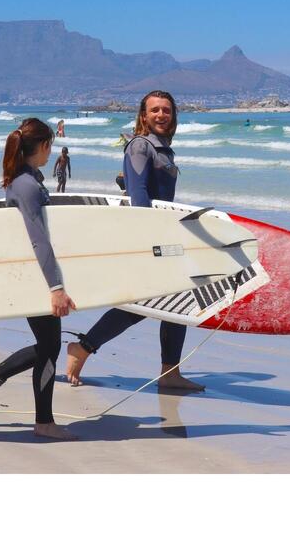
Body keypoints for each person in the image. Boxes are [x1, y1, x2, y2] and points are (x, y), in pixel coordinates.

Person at [65, 90, 205, 392]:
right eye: (154, 110)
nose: (161, 115)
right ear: (143, 116)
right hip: (150, 237)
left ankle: (169, 372)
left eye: (166, 110)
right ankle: (84, 347)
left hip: (163, 235)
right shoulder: (140, 146)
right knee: (146, 304)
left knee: (172, 304)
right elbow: (140, 197)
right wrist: (149, 243)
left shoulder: (162, 149)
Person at [0, 118, 78, 440]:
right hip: (36, 277)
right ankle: (42, 421)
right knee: (50, 346)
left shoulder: (23, 180)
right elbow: (38, 239)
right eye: (50, 146)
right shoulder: (28, 186)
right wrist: (56, 287)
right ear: (43, 146)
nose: (51, 152)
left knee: (49, 345)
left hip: (31, 274)